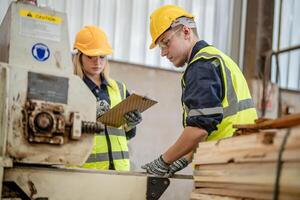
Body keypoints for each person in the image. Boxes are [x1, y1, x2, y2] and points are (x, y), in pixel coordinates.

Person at [142, 5, 258, 176]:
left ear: (186, 32)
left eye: (166, 42)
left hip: (223, 165)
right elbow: (215, 122)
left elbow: (200, 127)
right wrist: (185, 158)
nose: (164, 53)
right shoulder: (219, 58)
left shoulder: (201, 65)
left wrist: (164, 160)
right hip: (245, 159)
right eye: (161, 47)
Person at [73, 25, 142, 171]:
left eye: (102, 57)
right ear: (79, 56)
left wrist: (131, 124)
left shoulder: (119, 88)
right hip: (84, 171)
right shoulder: (71, 88)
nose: (97, 62)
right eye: (91, 56)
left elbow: (127, 134)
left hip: (119, 171)